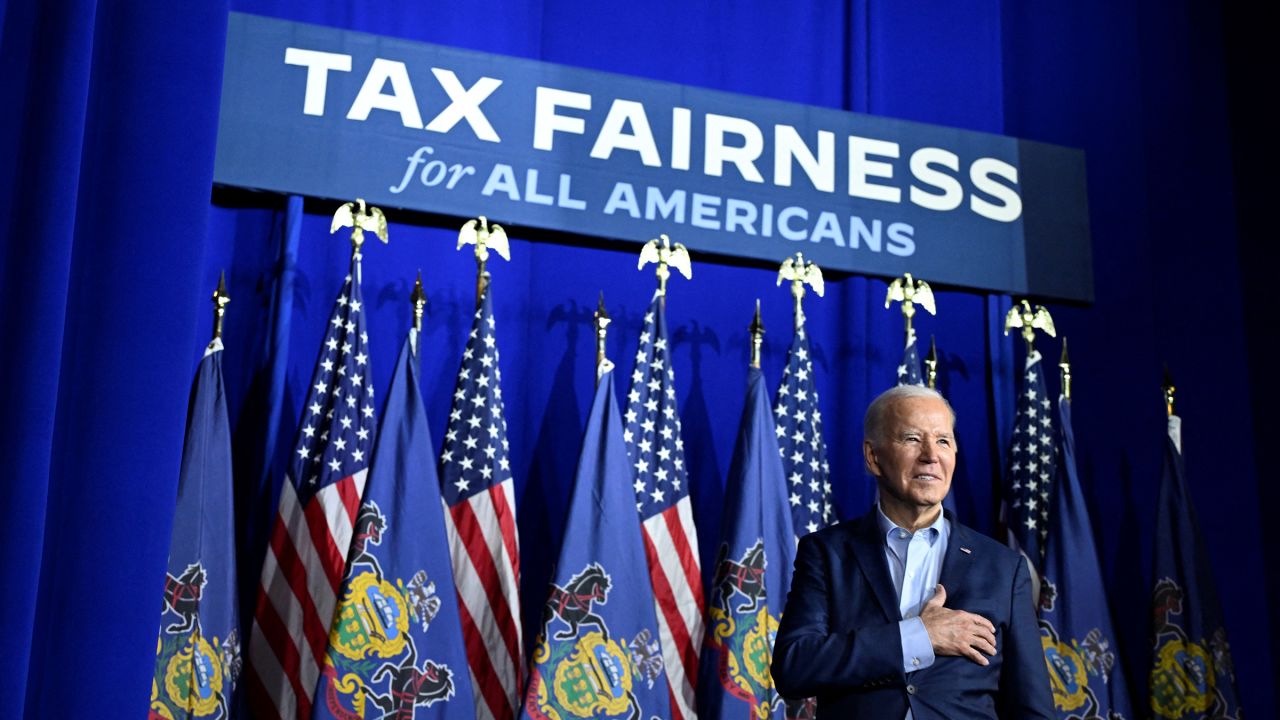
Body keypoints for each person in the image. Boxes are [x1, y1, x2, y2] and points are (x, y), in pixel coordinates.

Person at [771, 385, 1053, 719]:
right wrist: (919, 636)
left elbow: (1031, 706)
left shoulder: (1003, 568)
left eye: (943, 441)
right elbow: (795, 667)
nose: (931, 455)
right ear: (873, 457)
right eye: (911, 439)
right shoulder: (828, 553)